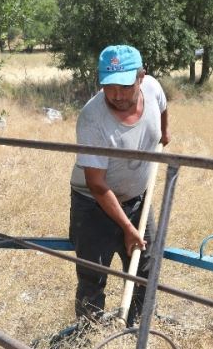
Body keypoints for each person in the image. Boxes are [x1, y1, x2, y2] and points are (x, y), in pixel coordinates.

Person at [69, 44, 170, 325]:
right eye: (109, 86)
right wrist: (127, 228)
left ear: (141, 77)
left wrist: (165, 130)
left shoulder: (152, 88)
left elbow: (163, 106)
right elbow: (97, 185)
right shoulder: (92, 119)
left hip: (138, 198)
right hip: (93, 204)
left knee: (146, 269)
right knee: (93, 274)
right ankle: (88, 333)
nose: (116, 95)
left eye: (125, 86)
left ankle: (139, 327)